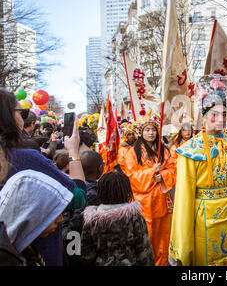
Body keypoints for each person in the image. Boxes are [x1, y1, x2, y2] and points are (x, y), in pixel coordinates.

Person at [169, 76, 227, 266]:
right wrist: (182, 243)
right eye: (214, 114)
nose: (221, 119)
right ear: (204, 116)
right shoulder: (190, 151)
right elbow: (184, 198)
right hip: (203, 217)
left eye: (224, 114)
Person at [0, 88, 86, 266]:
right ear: (7, 116)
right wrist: (73, 152)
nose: (23, 117)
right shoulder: (25, 159)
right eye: (21, 112)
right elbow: (77, 198)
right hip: (34, 254)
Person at [123, 111, 176, 266]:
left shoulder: (164, 150)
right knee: (145, 234)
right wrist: (152, 171)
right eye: (147, 130)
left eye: (153, 129)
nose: (151, 133)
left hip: (162, 199)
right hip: (143, 202)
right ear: (141, 132)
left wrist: (163, 176)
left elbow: (173, 169)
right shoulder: (133, 152)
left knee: (162, 235)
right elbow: (131, 176)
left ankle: (162, 262)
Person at [0, 169, 73, 266]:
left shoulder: (27, 248)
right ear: (30, 212)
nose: (60, 219)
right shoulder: (6, 258)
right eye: (52, 212)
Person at [81, 171, 155, 266]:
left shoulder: (91, 220)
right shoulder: (134, 217)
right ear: (126, 191)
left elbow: (86, 254)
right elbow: (144, 252)